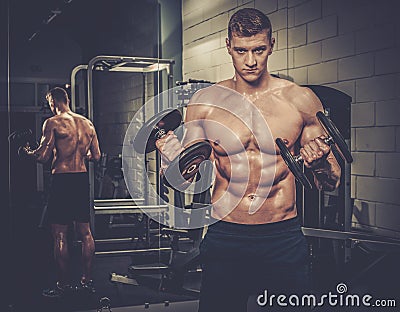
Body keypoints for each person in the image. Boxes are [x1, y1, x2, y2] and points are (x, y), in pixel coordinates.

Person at [156, 8, 341, 312]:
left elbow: (329, 182)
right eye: (241, 51)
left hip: (282, 235)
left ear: (272, 44)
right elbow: (183, 179)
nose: (251, 61)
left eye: (259, 50)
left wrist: (319, 162)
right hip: (226, 233)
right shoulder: (205, 103)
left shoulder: (300, 100)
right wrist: (172, 160)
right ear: (228, 45)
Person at [20, 87, 101, 298]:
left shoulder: (52, 123)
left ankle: (63, 285)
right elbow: (96, 156)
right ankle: (87, 281)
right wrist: (78, 155)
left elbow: (43, 157)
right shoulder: (88, 123)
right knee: (85, 233)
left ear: (52, 101)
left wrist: (28, 152)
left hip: (62, 180)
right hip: (81, 179)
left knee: (60, 234)